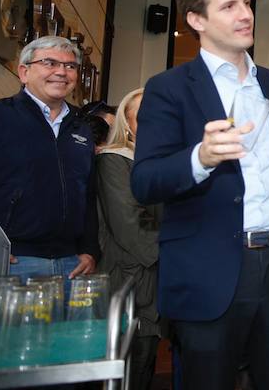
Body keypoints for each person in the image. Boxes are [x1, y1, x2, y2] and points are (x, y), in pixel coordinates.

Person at [131, 0, 269, 390]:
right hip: (207, 270)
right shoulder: (169, 88)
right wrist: (200, 157)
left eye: (248, 3)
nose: (245, 14)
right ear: (197, 20)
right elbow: (144, 181)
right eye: (230, 5)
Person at [0, 35, 98, 297]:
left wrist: (89, 250)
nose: (61, 72)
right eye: (49, 63)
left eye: (70, 66)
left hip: (71, 265)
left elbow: (87, 195)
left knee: (60, 339)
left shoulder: (82, 130)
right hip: (10, 264)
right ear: (24, 72)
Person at [96, 88, 162, 390]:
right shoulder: (114, 159)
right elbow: (127, 222)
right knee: (123, 365)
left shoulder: (162, 163)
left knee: (145, 361)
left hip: (155, 276)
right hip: (128, 274)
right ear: (127, 123)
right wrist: (172, 247)